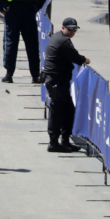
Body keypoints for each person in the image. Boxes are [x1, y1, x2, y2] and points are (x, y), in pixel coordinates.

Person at [42, 17, 89, 152]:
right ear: (63, 28)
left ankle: (65, 141)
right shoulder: (63, 41)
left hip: (60, 82)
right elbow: (76, 57)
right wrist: (84, 59)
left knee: (68, 110)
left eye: (75, 30)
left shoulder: (59, 36)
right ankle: (53, 143)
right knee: (57, 112)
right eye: (70, 29)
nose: (72, 32)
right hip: (56, 83)